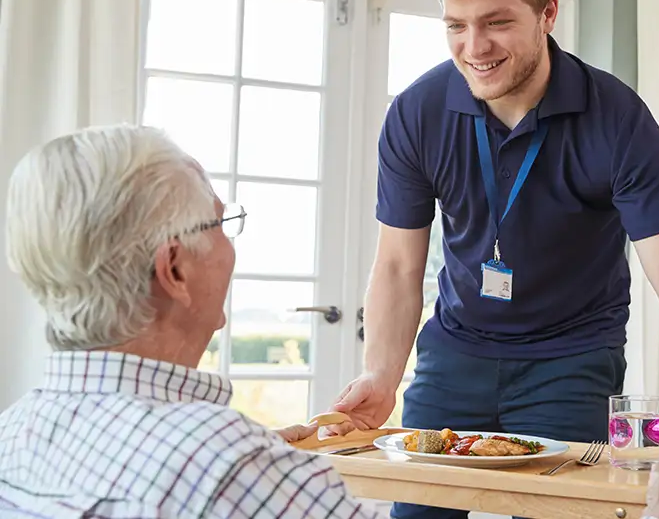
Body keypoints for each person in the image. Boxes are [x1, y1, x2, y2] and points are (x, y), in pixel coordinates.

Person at [327, 0, 659, 518]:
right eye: (456, 26)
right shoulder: (417, 113)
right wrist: (382, 375)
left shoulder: (616, 117)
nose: (475, 47)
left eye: (496, 22)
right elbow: (395, 264)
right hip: (454, 354)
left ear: (548, 13)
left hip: (571, 360)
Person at [0, 125, 382, 518]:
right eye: (219, 223)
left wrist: (263, 467)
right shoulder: (226, 465)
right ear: (175, 270)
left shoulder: (11, 433)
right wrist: (257, 469)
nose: (230, 245)